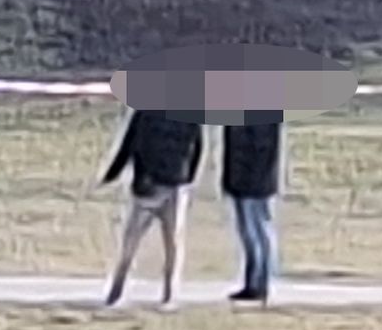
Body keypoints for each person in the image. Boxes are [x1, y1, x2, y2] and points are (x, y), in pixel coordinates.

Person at [99, 101, 200, 308]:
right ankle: (169, 295)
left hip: (148, 185)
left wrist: (112, 174)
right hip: (174, 184)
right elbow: (197, 147)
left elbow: (129, 144)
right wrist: (188, 177)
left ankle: (116, 293)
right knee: (173, 243)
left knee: (130, 242)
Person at [219, 107, 283, 302]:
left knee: (255, 229)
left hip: (251, 179)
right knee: (255, 230)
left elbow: (248, 147)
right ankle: (256, 280)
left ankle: (258, 282)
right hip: (252, 177)